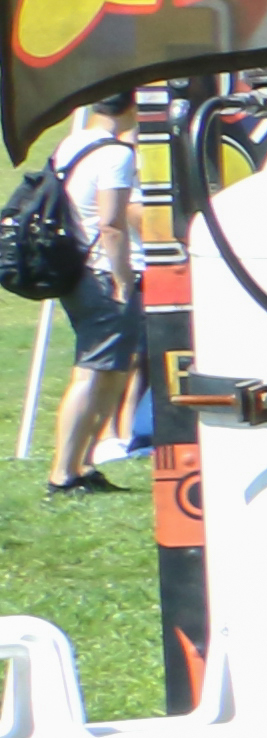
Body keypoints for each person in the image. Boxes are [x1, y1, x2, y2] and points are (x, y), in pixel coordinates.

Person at [43, 98, 141, 500]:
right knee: (92, 373)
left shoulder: (72, 143)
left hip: (77, 269)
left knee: (112, 371)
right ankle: (63, 473)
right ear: (132, 106)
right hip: (103, 272)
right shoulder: (116, 154)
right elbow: (112, 223)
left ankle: (82, 464)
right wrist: (124, 279)